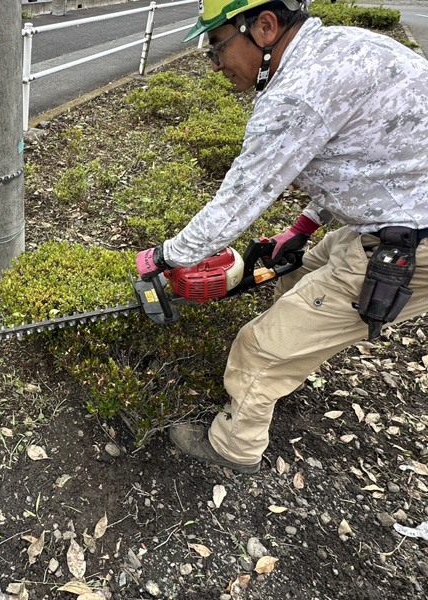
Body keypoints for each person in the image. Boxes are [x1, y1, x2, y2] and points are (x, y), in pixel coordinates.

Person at [135, 0, 428, 474]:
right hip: (393, 215)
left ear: (265, 26)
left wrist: (166, 256)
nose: (215, 65)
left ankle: (235, 444)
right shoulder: (342, 47)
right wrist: (303, 227)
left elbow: (241, 198)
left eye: (217, 46)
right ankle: (289, 357)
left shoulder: (298, 92)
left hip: (408, 243)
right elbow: (369, 163)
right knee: (307, 269)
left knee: (259, 348)